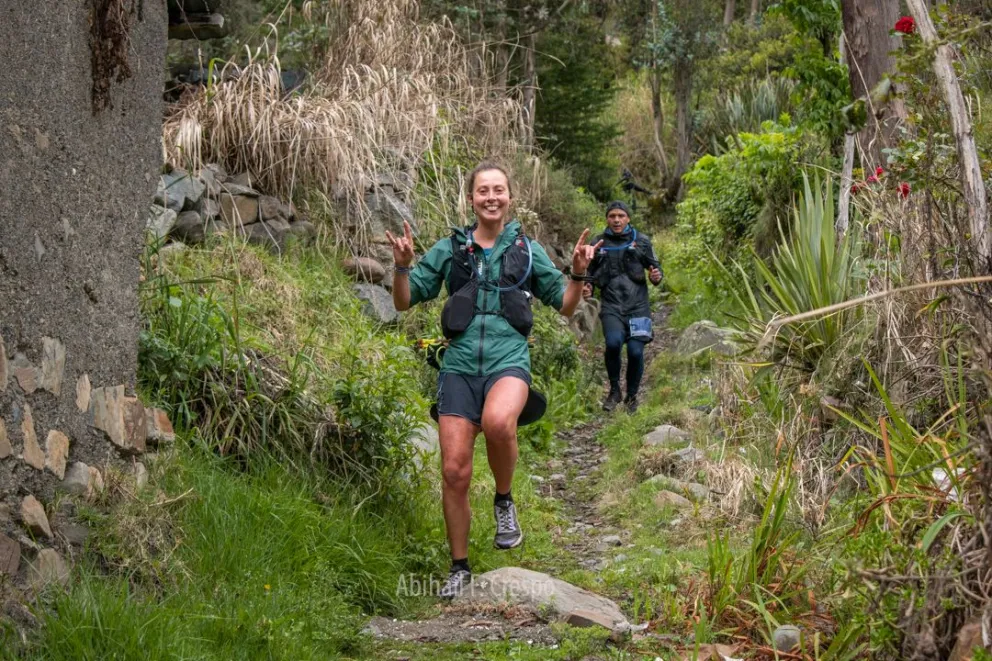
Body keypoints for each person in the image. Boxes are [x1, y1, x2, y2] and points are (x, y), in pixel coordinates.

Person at [385, 162, 600, 599]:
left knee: (500, 423)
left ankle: (504, 500)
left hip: (508, 361)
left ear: (509, 198)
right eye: (482, 190)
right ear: (471, 199)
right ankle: (459, 566)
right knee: (454, 471)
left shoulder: (526, 248)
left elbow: (564, 305)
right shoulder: (451, 249)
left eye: (498, 190)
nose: (491, 197)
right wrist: (403, 268)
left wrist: (577, 273)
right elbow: (405, 302)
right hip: (460, 366)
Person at [582, 201, 662, 413]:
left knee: (636, 352)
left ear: (628, 218)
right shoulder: (598, 243)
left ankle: (632, 397)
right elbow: (588, 271)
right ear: (607, 218)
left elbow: (656, 270)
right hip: (612, 306)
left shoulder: (642, 241)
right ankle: (615, 390)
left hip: (638, 306)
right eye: (612, 216)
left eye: (621, 216)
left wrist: (656, 276)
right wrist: (587, 286)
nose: (616, 220)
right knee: (614, 343)